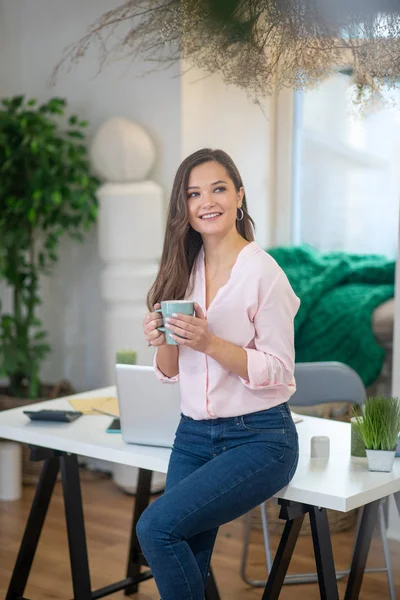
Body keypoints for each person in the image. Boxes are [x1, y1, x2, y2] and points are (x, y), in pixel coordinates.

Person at [138, 148, 300, 600]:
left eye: (218, 188)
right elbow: (171, 374)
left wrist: (210, 342)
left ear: (239, 196)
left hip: (261, 438)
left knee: (156, 528)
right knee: (186, 555)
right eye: (193, 193)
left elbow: (280, 372)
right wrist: (163, 339)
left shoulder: (264, 273)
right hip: (192, 435)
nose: (206, 201)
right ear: (183, 208)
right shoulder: (181, 270)